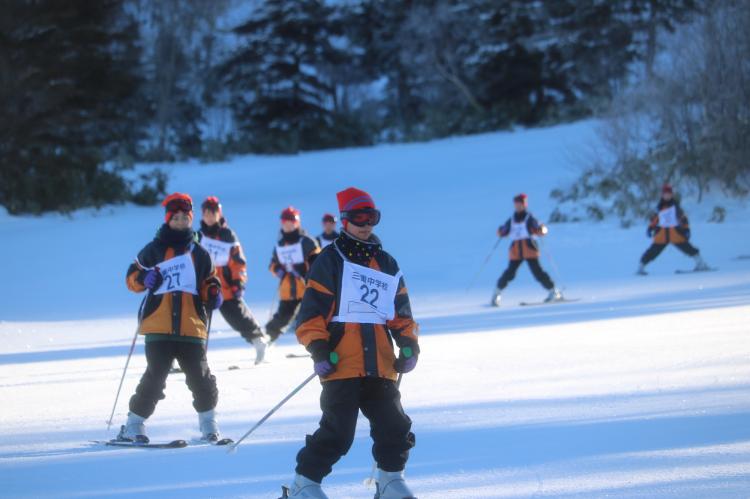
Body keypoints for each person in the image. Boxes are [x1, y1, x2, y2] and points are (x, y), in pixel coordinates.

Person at [283, 187, 419, 499]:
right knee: (338, 433)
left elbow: (400, 313)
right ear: (344, 220)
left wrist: (409, 344)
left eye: (371, 217)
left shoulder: (386, 263)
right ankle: (304, 483)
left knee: (394, 425)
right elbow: (310, 315)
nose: (365, 223)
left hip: (381, 364)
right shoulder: (330, 261)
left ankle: (390, 480)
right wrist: (319, 348)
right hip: (341, 362)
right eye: (358, 217)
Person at [118, 193, 224, 443]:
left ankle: (209, 424)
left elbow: (210, 280)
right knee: (155, 376)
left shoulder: (200, 253)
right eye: (175, 218)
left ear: (191, 219)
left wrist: (213, 292)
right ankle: (133, 424)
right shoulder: (154, 249)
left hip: (192, 327)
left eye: (184, 218)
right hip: (159, 326)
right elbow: (132, 277)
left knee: (201, 378)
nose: (180, 222)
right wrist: (144, 279)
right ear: (168, 219)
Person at [198, 196, 267, 364]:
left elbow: (238, 262)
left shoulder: (227, 235)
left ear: (218, 213)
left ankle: (258, 340)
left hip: (225, 286)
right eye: (206, 213)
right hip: (202, 287)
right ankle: (188, 355)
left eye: (212, 213)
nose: (209, 216)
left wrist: (238, 282)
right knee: (196, 320)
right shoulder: (199, 235)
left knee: (236, 316)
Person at [491, 193, 560, 306]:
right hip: (516, 251)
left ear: (524, 205)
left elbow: (540, 228)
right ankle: (496, 294)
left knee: (538, 272)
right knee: (509, 273)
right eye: (516, 204)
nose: (518, 206)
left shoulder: (529, 218)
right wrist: (501, 231)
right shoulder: (512, 219)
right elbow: (504, 230)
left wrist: (540, 230)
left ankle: (553, 291)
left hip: (529, 249)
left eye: (520, 204)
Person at [266, 206, 320, 344]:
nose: (288, 226)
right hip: (288, 290)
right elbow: (272, 265)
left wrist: (305, 269)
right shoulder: (280, 245)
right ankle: (266, 340)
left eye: (292, 222)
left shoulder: (307, 242)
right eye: (285, 223)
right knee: (282, 318)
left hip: (307, 288)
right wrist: (280, 270)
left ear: (297, 223)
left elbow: (318, 261)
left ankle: (319, 343)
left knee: (315, 317)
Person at [637, 184, 709, 275]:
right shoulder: (659, 207)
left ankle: (701, 264)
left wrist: (686, 230)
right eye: (665, 194)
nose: (667, 196)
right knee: (652, 252)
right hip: (661, 235)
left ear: (671, 195)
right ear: (662, 195)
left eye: (669, 194)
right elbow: (655, 219)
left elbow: (683, 219)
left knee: (688, 248)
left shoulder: (676, 207)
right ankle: (641, 267)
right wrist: (650, 228)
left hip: (675, 234)